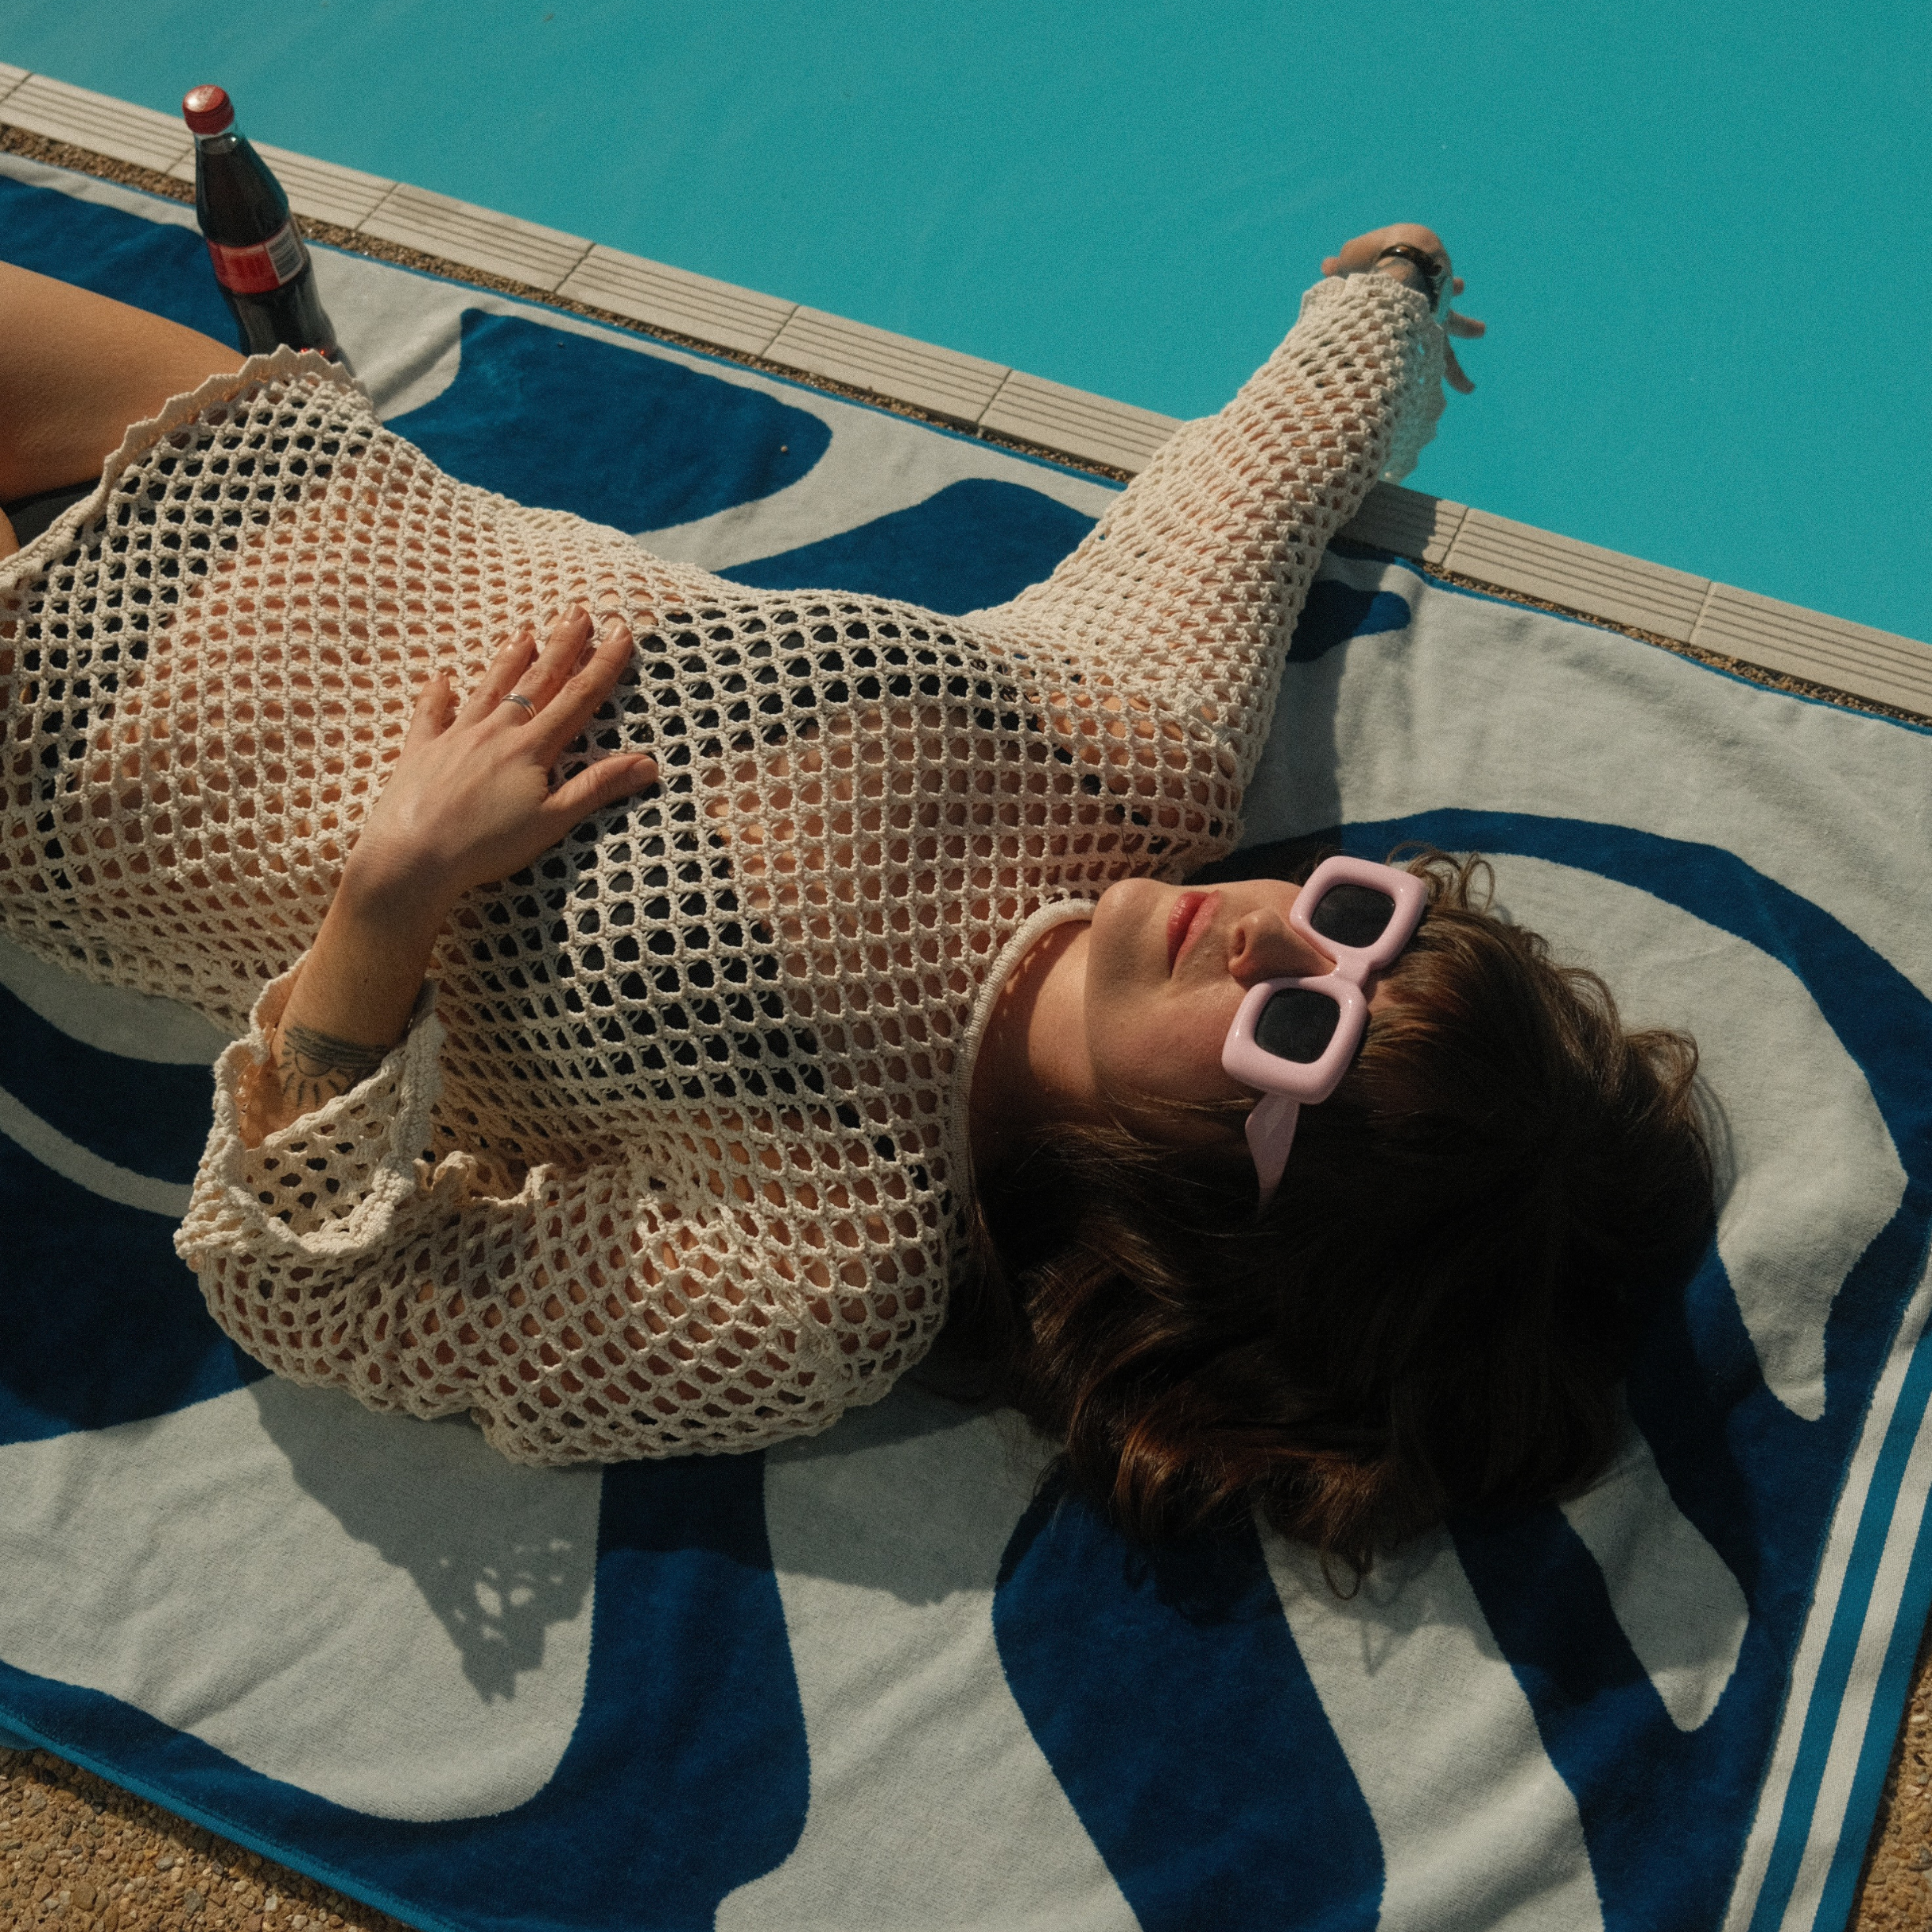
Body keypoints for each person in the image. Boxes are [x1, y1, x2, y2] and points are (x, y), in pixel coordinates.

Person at [0, 224, 1713, 1570]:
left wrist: (382, 912)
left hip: (51, 757)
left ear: (1222, 1206)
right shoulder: (1137, 767)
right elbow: (1245, 500)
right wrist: (1391, 292)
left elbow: (322, 1293)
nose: (1272, 933)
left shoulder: (830, 1270)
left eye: (1290, 1026)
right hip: (234, 465)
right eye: (1360, 924)